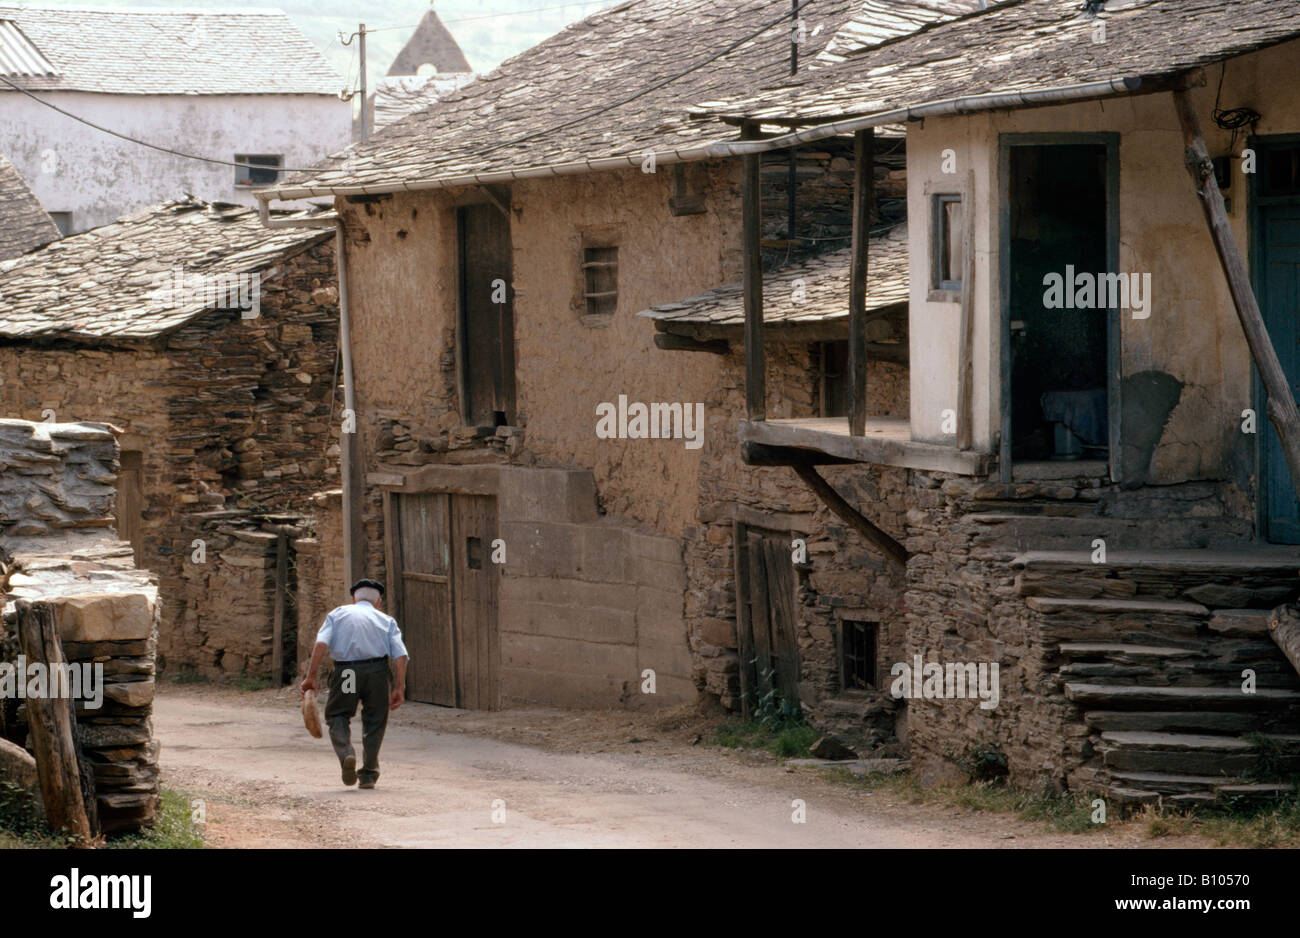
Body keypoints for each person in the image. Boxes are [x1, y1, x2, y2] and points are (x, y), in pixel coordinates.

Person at [300, 579, 408, 789]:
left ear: (353, 599)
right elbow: (401, 655)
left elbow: (321, 643)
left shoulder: (338, 614)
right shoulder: (386, 620)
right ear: (378, 602)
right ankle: (368, 775)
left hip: (348, 672)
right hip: (376, 674)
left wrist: (311, 676)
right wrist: (399, 686)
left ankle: (346, 753)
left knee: (338, 713)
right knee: (375, 719)